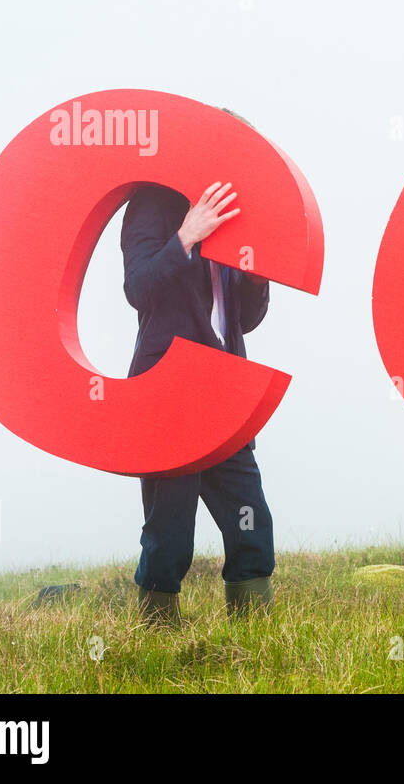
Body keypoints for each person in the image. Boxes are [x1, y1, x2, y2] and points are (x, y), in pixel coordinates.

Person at [120, 108, 275, 626]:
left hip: (226, 391)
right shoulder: (153, 201)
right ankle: (156, 628)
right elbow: (138, 289)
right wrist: (186, 236)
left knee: (251, 517)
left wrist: (255, 279)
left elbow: (244, 320)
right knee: (170, 524)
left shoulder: (239, 212)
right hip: (168, 387)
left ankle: (252, 630)